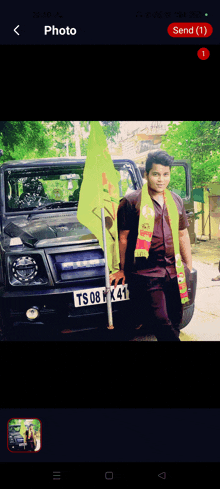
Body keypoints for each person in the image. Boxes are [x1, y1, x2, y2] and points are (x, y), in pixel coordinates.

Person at [109, 151, 192, 341]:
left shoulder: (176, 200)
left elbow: (182, 234)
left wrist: (188, 266)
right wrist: (122, 269)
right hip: (146, 273)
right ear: (146, 175)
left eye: (165, 174)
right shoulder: (131, 202)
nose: (161, 180)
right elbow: (123, 238)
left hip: (174, 271)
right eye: (156, 174)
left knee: (175, 319)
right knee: (161, 321)